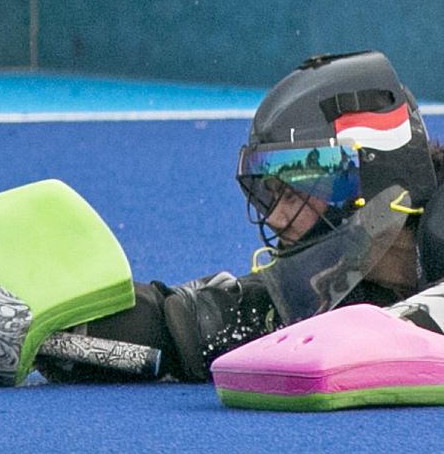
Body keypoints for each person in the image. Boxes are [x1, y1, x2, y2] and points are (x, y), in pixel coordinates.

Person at [38, 50, 444, 383]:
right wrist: (39, 321)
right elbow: (191, 325)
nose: (278, 219)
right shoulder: (336, 281)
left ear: (371, 178)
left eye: (299, 190)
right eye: (274, 194)